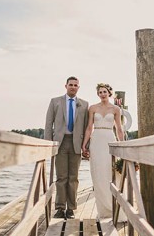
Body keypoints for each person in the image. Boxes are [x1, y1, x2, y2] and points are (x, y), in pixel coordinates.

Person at [44, 76, 89, 220]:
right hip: (60, 143)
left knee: (73, 178)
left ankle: (71, 209)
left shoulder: (84, 104)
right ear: (66, 86)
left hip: (76, 143)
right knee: (61, 177)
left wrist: (86, 147)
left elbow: (87, 126)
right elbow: (48, 123)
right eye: (71, 85)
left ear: (78, 87)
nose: (73, 87)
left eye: (76, 85)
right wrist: (48, 143)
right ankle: (59, 208)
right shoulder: (55, 101)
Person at [81, 82, 125, 219]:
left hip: (109, 139)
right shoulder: (92, 108)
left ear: (109, 93)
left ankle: (115, 207)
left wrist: (122, 145)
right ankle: (104, 211)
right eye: (100, 92)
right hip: (96, 141)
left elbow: (119, 128)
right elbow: (89, 127)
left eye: (104, 92)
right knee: (98, 173)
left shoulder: (116, 109)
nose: (102, 94)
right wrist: (84, 144)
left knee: (110, 172)